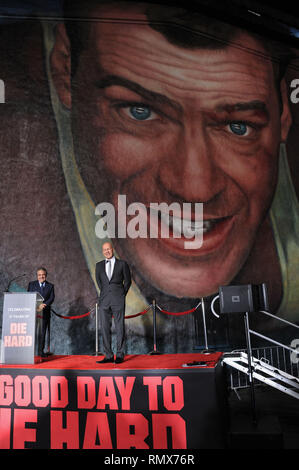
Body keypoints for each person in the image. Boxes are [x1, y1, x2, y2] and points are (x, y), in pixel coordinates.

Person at [95, 241, 131, 363]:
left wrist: (121, 294)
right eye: (104, 250)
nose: (107, 251)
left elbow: (127, 281)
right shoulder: (99, 266)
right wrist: (106, 293)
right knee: (105, 328)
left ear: (113, 249)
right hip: (104, 300)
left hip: (118, 299)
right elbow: (100, 283)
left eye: (108, 249)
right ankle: (108, 355)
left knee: (120, 327)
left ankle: (120, 354)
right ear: (102, 251)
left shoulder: (122, 264)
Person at [27, 267, 55, 357]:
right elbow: (29, 296)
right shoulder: (31, 284)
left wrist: (44, 304)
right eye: (39, 275)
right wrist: (37, 305)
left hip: (44, 312)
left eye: (43, 275)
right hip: (33, 312)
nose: (41, 276)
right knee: (31, 333)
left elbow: (51, 298)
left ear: (46, 275)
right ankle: (29, 352)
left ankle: (40, 352)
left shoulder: (50, 286)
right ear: (37, 275)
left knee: (42, 333)